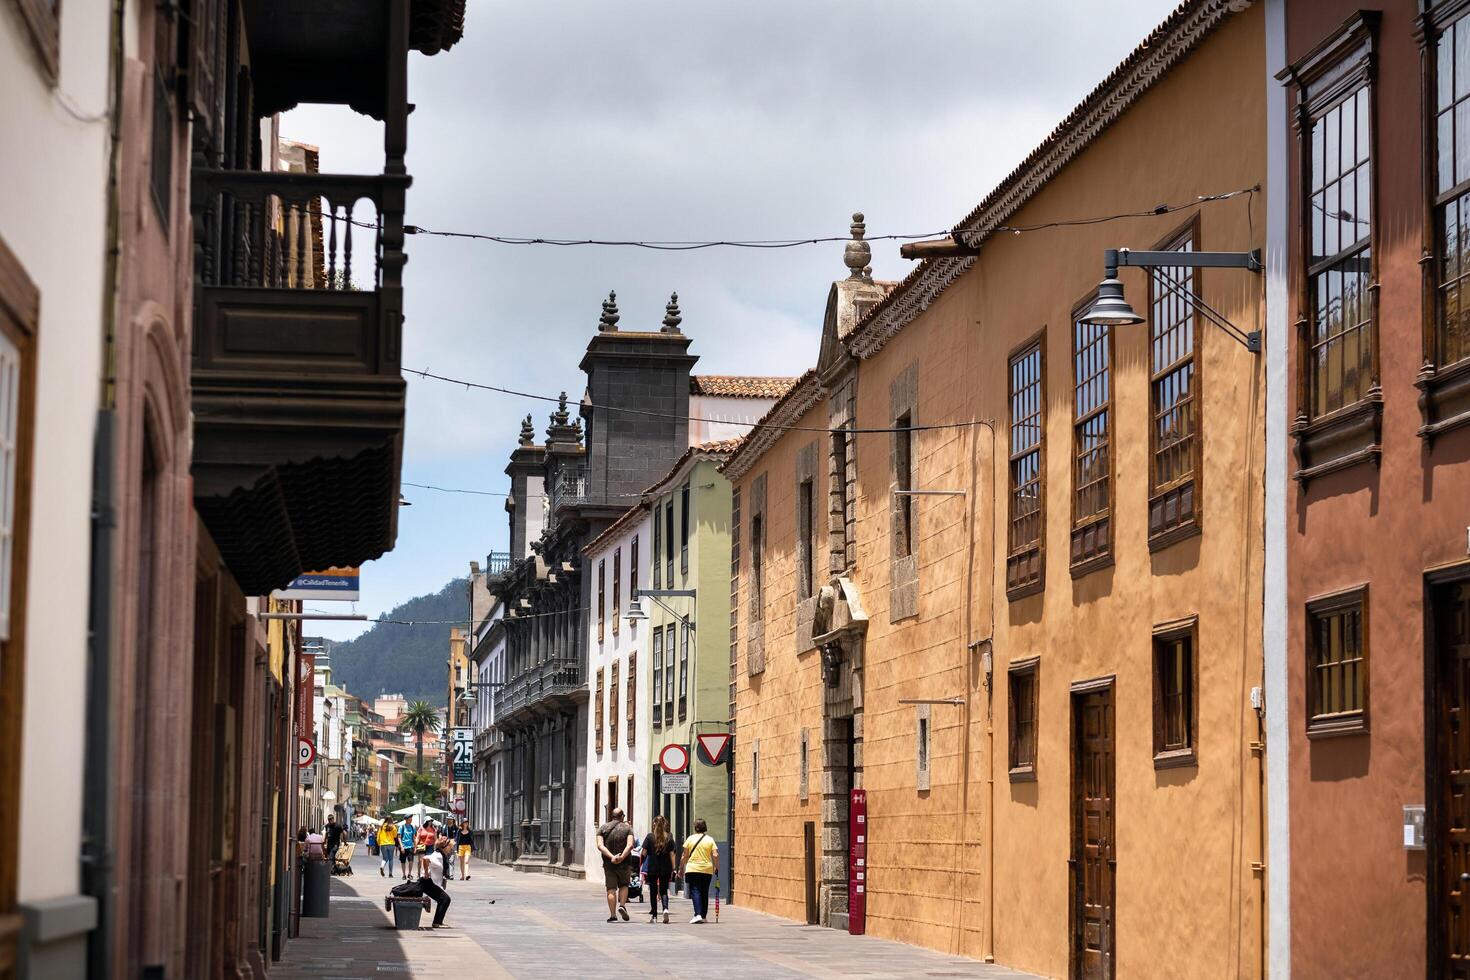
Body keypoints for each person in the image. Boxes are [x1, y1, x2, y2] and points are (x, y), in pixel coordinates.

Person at [596, 806, 634, 922]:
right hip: (625, 863)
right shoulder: (627, 829)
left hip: (609, 864)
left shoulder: (603, 828)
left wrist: (612, 857)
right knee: (624, 885)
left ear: (611, 816)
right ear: (622, 817)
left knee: (611, 889)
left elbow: (600, 846)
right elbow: (630, 845)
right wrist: (622, 857)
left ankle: (613, 915)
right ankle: (622, 905)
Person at [680, 818, 718, 924]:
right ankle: (703, 915)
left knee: (695, 890)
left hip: (692, 868)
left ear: (695, 827)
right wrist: (716, 866)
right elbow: (715, 854)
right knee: (704, 891)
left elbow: (685, 855)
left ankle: (698, 914)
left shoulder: (690, 839)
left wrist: (681, 867)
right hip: (707, 869)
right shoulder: (710, 839)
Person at [640, 814, 675, 924]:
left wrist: (641, 863)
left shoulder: (650, 837)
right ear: (665, 824)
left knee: (653, 891)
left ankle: (654, 916)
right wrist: (673, 868)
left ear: (654, 824)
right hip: (666, 868)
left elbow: (643, 853)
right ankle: (665, 908)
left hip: (652, 868)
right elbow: (672, 854)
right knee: (664, 890)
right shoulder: (669, 836)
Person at [417, 836, 453, 928]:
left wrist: (444, 880)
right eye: (451, 846)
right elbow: (425, 859)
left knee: (443, 899)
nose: (452, 848)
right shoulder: (437, 855)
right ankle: (437, 922)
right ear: (445, 847)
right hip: (427, 882)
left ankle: (437, 921)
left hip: (430, 882)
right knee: (445, 899)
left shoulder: (442, 856)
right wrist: (425, 872)